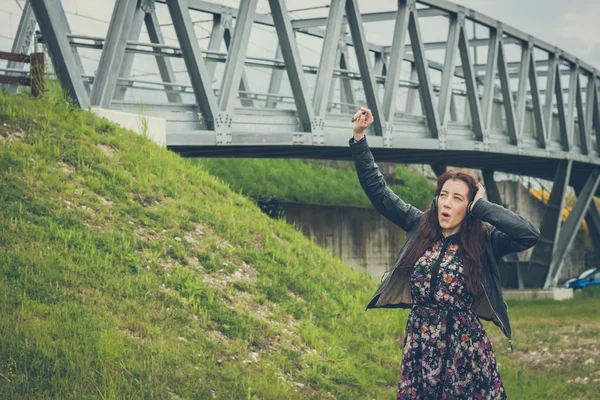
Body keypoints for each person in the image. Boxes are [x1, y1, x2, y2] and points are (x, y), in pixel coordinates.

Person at [349, 107, 541, 399]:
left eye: (457, 198)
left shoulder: (485, 241)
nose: (447, 203)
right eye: (443, 195)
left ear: (469, 206)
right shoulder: (419, 226)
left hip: (465, 352)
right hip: (421, 346)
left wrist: (483, 207)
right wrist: (359, 138)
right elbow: (379, 191)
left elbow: (529, 234)